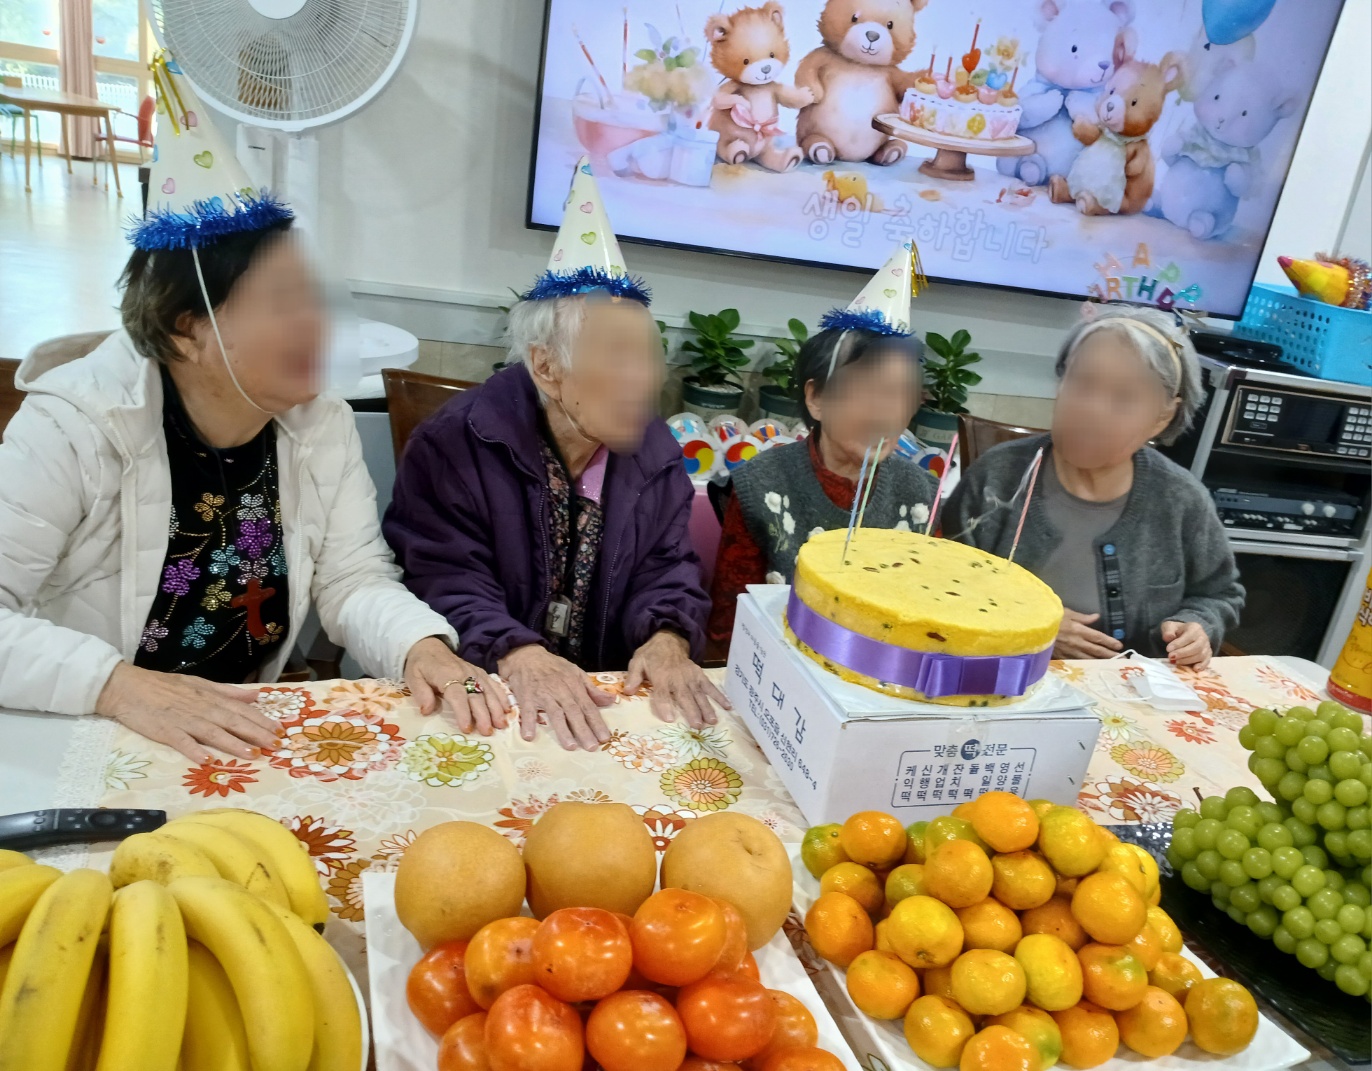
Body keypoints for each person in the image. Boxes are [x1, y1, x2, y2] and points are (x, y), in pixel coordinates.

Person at [0, 58, 502, 763]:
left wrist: (423, 647)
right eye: (283, 301)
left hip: (241, 729)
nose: (316, 324)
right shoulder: (74, 425)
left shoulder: (320, 422)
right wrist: (116, 685)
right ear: (187, 328)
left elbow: (352, 577)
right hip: (93, 735)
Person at [384, 158, 723, 752]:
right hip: (484, 692)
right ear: (545, 366)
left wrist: (668, 637)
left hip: (601, 699)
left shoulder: (655, 452)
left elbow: (668, 568)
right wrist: (516, 651)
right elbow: (442, 575)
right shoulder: (454, 443)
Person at [945, 304, 1243, 668]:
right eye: (1082, 383)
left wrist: (1197, 626)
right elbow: (945, 586)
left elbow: (1218, 594)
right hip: (999, 679)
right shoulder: (997, 476)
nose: (1093, 409)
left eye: (1124, 398)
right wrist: (1029, 626)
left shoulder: (1180, 499)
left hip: (1133, 694)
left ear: (1162, 416)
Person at [708, 245, 938, 647]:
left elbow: (930, 623)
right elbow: (729, 631)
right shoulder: (762, 485)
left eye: (901, 393)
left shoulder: (921, 494)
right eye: (866, 389)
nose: (886, 413)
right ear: (816, 398)